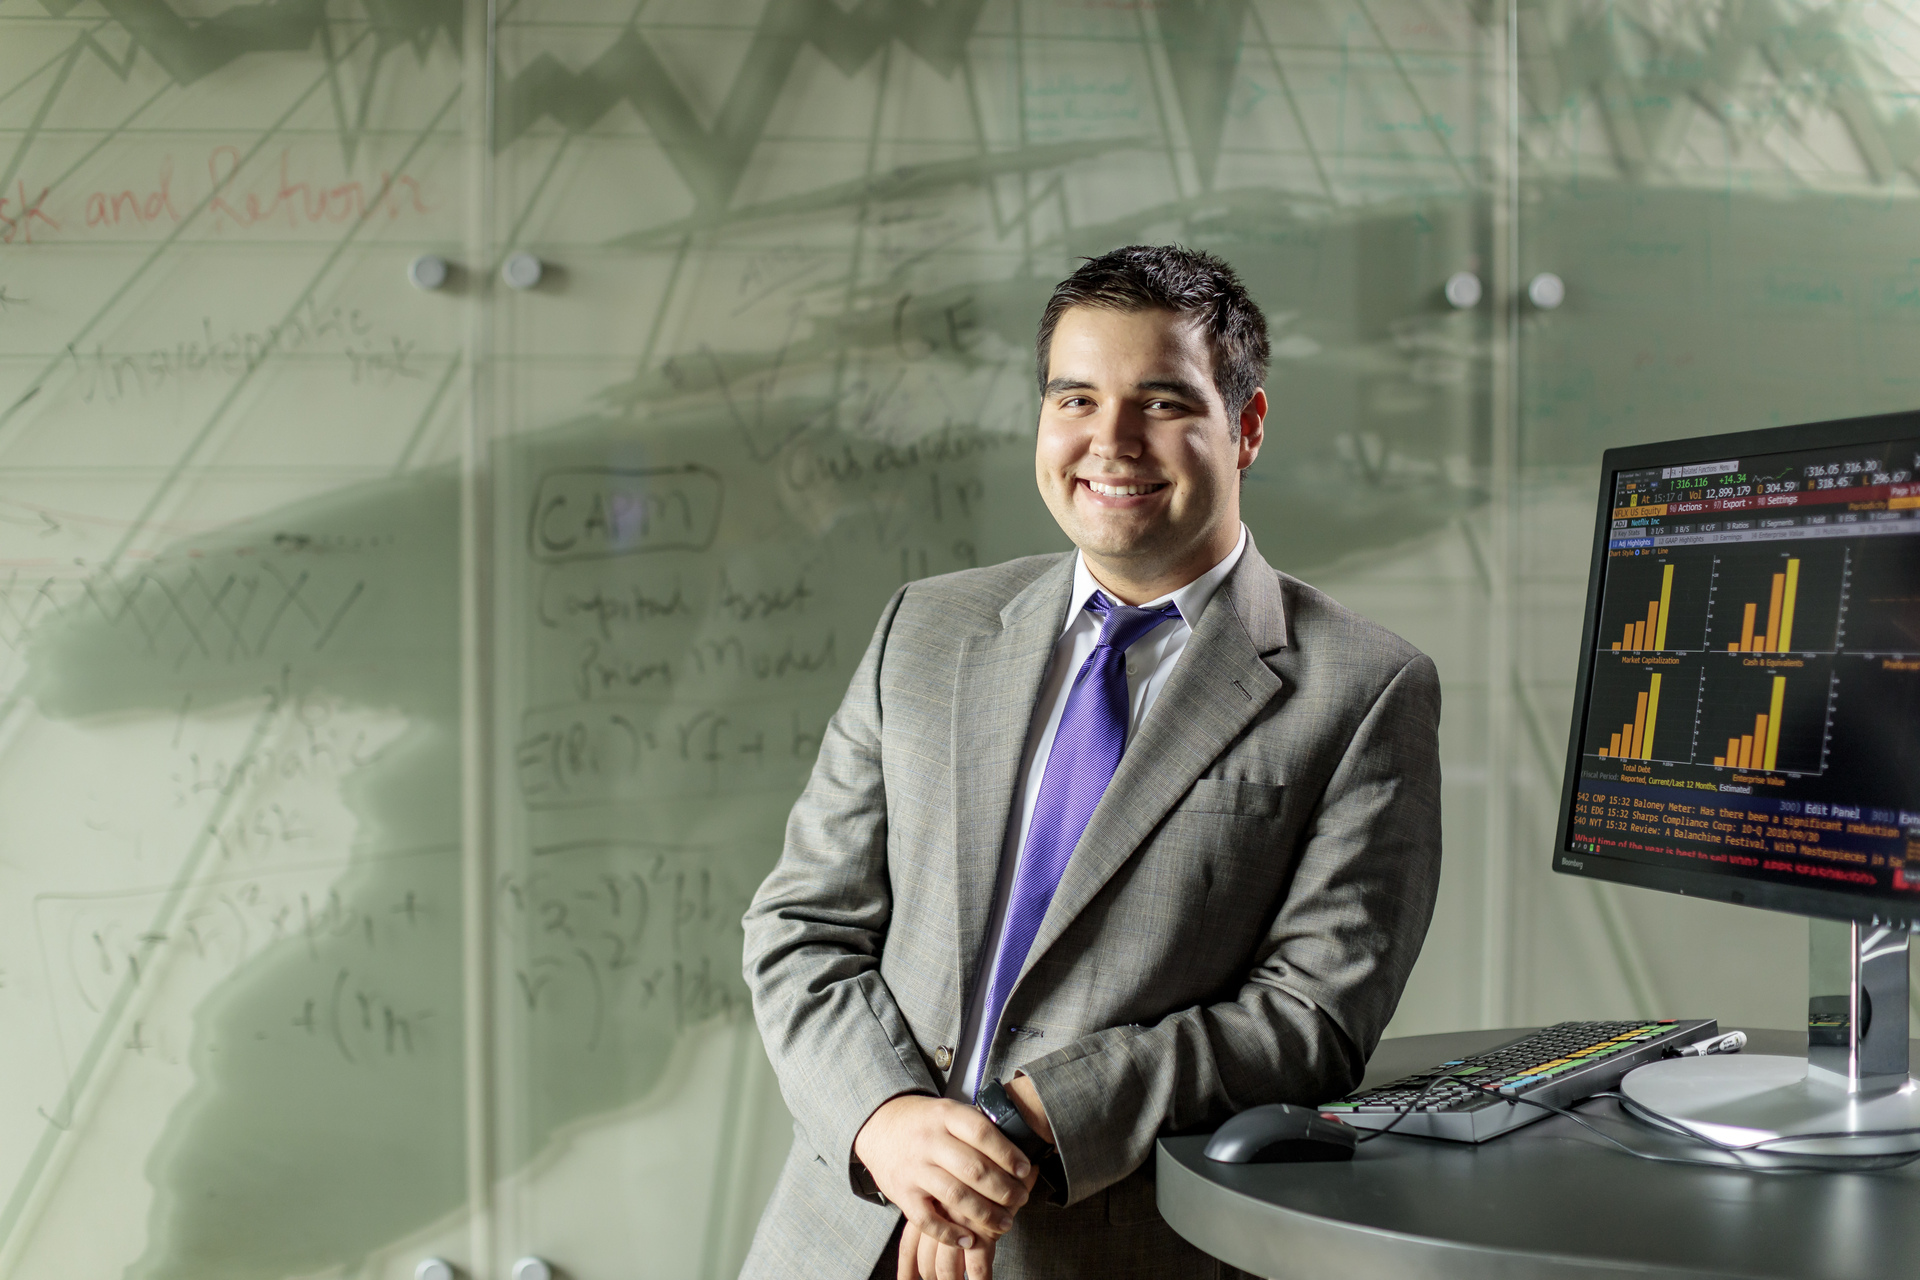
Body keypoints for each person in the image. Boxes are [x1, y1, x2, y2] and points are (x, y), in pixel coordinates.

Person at [740, 245, 1442, 1280]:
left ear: (1244, 427)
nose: (1109, 441)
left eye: (1161, 402)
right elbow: (800, 925)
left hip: (1106, 1251)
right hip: (846, 1232)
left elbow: (1309, 1020)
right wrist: (888, 1120)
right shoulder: (925, 630)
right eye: (1076, 396)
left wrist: (1022, 1124)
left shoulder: (1361, 688)